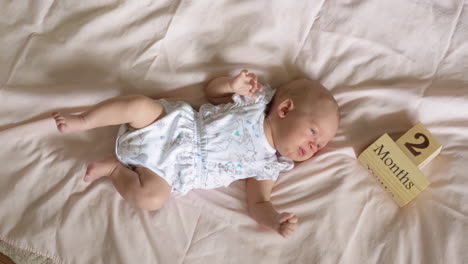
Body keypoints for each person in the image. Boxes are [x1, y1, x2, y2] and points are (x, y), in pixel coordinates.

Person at [52, 69, 340, 238]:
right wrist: (231, 85)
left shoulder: (270, 165)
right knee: (138, 105)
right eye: (314, 133)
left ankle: (115, 170)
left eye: (320, 144)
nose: (315, 147)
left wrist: (274, 220)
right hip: (173, 126)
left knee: (151, 198)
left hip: (174, 171)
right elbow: (212, 93)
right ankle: (85, 120)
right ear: (285, 109)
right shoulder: (255, 102)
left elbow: (259, 202)